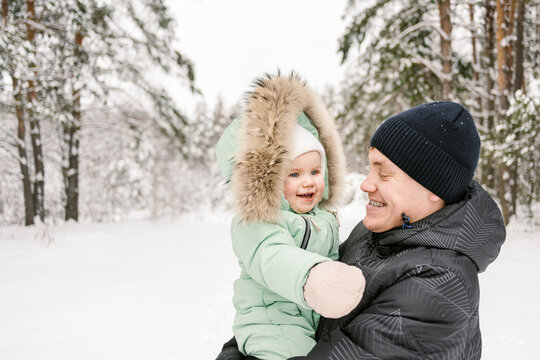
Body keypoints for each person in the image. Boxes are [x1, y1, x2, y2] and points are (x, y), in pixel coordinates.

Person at [217, 101, 506, 359]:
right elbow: (285, 307)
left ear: (432, 186)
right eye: (370, 169)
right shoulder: (378, 234)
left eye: (384, 172)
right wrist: (242, 346)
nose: (366, 184)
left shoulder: (438, 287)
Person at [215, 73, 366, 360]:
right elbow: (271, 256)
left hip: (305, 321)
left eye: (314, 172)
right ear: (271, 180)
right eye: (294, 174)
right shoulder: (257, 220)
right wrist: (313, 276)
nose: (308, 182)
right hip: (271, 324)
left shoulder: (322, 217)